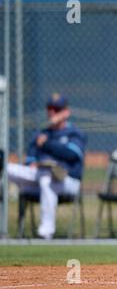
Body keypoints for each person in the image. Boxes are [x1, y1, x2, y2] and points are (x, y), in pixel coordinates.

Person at [5, 93, 86, 239]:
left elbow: (71, 155)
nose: (52, 112)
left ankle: (45, 232)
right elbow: (30, 159)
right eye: (49, 108)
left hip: (68, 181)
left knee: (47, 177)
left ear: (66, 112)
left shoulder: (74, 133)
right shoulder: (42, 133)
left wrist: (47, 144)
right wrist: (33, 164)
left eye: (57, 108)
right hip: (39, 179)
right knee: (6, 169)